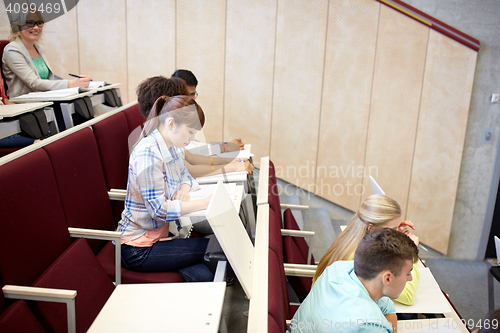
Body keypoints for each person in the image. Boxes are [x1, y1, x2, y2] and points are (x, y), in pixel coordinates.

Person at [117, 95, 214, 282]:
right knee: (215, 249)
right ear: (171, 123)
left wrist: (183, 190)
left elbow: (186, 176)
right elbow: (159, 210)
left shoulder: (170, 147)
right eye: (191, 132)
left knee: (208, 274)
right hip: (138, 249)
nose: (193, 139)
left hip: (161, 235)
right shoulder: (148, 153)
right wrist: (204, 203)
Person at [289, 228, 418, 333]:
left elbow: (388, 309)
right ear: (387, 278)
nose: (410, 278)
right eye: (408, 273)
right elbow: (386, 316)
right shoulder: (368, 323)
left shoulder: (338, 269)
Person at [135, 76, 253, 178]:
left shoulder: (169, 135)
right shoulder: (158, 140)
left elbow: (191, 157)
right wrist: (232, 166)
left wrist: (230, 161)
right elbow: (190, 169)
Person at [313, 194, 420, 306]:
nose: (396, 233)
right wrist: (410, 252)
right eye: (393, 229)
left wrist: (396, 233)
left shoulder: (352, 238)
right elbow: (408, 296)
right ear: (372, 228)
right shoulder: (363, 257)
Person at [2, 11, 91, 99]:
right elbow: (34, 82)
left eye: (39, 23)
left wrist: (78, 82)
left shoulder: (38, 48)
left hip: (46, 101)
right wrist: (69, 84)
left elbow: (49, 80)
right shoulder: (12, 49)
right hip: (26, 106)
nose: (36, 27)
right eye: (30, 23)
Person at [171, 69, 245, 150]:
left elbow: (198, 145)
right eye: (186, 95)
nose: (190, 99)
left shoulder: (192, 112)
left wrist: (226, 146)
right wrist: (225, 147)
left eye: (192, 94)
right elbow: (189, 151)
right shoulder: (170, 117)